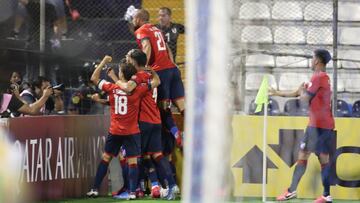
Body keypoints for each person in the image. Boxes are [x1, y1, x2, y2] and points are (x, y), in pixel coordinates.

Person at [108, 49, 180, 200]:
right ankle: (171, 186)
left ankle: (133, 190)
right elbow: (158, 81)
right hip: (155, 121)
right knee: (156, 155)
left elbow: (127, 88)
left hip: (143, 121)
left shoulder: (137, 76)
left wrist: (113, 77)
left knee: (132, 156)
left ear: (134, 62)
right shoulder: (148, 75)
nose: (126, 60)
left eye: (128, 58)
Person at [272, 49, 335, 203]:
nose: (311, 60)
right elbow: (298, 92)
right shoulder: (322, 78)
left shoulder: (318, 77)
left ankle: (292, 190)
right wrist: (276, 93)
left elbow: (304, 98)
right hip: (324, 125)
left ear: (317, 61)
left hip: (318, 126)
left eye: (313, 58)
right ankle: (326, 195)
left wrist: (302, 92)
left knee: (304, 156)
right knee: (322, 159)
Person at [86, 55, 147, 200]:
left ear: (120, 74)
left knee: (106, 158)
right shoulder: (138, 90)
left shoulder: (111, 88)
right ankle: (132, 192)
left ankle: (94, 189)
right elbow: (154, 83)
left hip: (115, 131)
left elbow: (94, 78)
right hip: (132, 131)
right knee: (132, 161)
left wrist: (103, 62)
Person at [132, 9, 185, 147]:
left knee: (163, 109)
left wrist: (143, 68)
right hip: (173, 70)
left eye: (133, 18)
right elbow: (167, 47)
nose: (132, 21)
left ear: (138, 19)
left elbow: (147, 47)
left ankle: (177, 137)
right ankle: (199, 133)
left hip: (160, 73)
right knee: (183, 107)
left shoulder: (141, 30)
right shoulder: (156, 29)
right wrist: (172, 63)